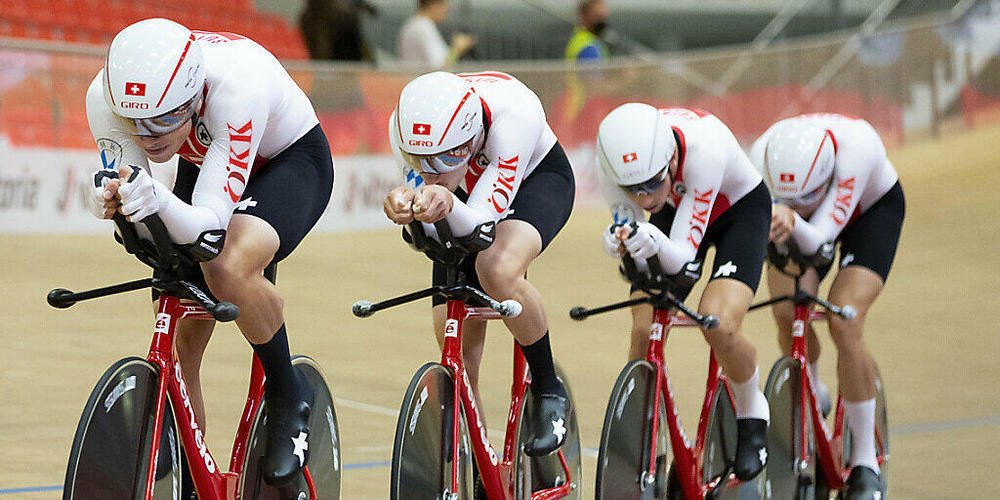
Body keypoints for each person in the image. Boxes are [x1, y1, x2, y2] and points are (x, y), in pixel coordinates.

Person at [84, 18, 334, 486]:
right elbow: (135, 192)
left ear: (194, 97)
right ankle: (191, 470)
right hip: (205, 158)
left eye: (162, 120)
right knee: (177, 309)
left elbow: (208, 231)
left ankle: (288, 392)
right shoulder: (105, 96)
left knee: (226, 267)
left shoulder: (235, 90)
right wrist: (114, 203)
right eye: (134, 123)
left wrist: (158, 201)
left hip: (287, 161)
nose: (148, 137)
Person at [382, 71, 575, 457]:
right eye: (419, 160)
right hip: (466, 193)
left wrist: (445, 202)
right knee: (454, 342)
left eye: (443, 158)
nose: (430, 171)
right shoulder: (407, 125)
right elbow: (432, 210)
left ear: (470, 142)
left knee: (496, 269)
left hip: (534, 181)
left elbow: (481, 227)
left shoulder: (514, 118)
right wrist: (407, 208)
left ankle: (548, 388)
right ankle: (479, 466)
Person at [595, 103, 771, 481]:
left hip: (738, 213)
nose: (644, 199)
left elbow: (683, 261)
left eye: (652, 183)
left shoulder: (704, 151)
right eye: (632, 190)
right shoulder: (615, 163)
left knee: (719, 323)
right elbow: (634, 229)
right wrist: (622, 240)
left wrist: (651, 238)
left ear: (671, 159)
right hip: (677, 208)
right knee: (644, 326)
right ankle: (643, 433)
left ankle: (751, 409)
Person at [750, 113, 903, 499]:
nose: (800, 206)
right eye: (790, 199)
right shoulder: (761, 154)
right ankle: (814, 390)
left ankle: (865, 462)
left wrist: (790, 214)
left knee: (843, 317)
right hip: (793, 221)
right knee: (787, 310)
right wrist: (785, 212)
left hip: (868, 213)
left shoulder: (858, 150)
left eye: (807, 198)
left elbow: (819, 240)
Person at [397, 0, 475, 68]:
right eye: (445, 5)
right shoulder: (423, 27)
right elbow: (439, 66)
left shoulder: (413, 24)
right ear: (435, 4)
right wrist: (457, 49)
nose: (447, 10)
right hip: (420, 77)